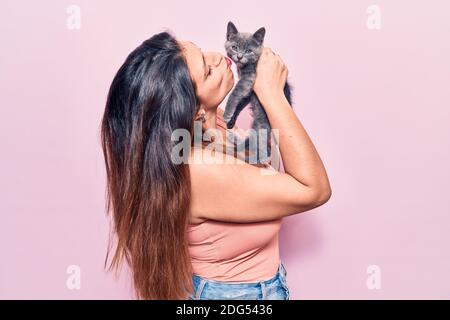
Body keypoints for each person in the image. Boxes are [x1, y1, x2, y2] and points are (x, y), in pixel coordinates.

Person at [100, 31, 332, 300]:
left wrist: (262, 91)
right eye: (207, 71)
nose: (218, 58)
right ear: (193, 109)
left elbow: (266, 159)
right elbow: (314, 188)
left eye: (201, 51)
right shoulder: (200, 168)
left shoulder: (212, 126)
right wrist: (271, 94)